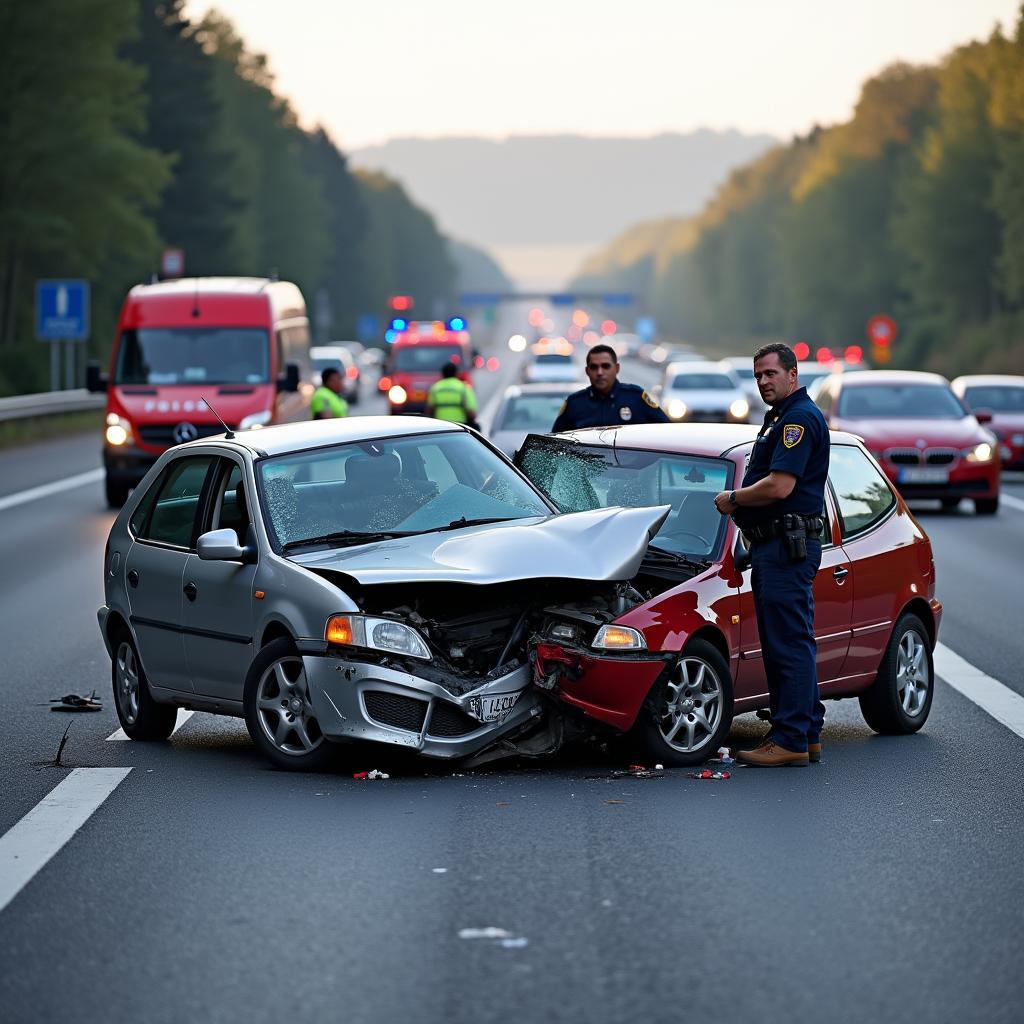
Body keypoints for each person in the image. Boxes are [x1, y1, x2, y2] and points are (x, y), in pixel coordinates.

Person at [712, 342, 829, 767]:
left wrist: (734, 498)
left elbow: (780, 486)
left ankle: (790, 740)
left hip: (785, 547)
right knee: (793, 641)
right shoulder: (780, 418)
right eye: (758, 375)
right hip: (775, 545)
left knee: (786, 646)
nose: (763, 382)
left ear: (793, 375)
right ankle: (807, 733)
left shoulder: (797, 419)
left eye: (771, 374)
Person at [552, 344, 668, 431]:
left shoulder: (635, 398)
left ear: (617, 368)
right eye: (594, 367)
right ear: (587, 371)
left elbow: (667, 431)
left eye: (606, 366)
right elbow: (555, 446)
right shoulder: (574, 404)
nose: (600, 372)